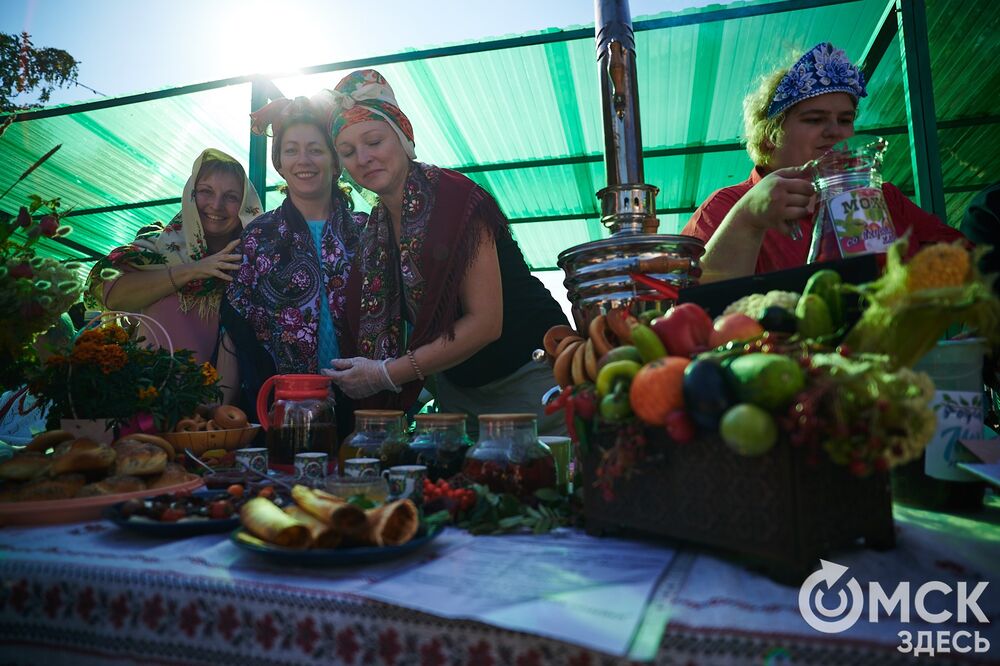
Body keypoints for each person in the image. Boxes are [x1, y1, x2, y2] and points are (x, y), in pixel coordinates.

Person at [322, 69, 570, 435]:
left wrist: (386, 374)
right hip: (459, 392)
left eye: (374, 141)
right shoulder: (374, 232)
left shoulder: (455, 198)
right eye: (348, 151)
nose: (363, 158)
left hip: (530, 377)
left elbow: (486, 324)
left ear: (403, 137)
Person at [682, 42, 964, 282]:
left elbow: (971, 264)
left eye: (845, 120)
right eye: (814, 120)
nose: (835, 132)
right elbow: (687, 312)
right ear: (769, 136)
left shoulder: (883, 197)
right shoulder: (726, 206)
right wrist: (746, 219)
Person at [222, 95, 363, 430]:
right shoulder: (258, 236)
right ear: (279, 163)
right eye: (291, 150)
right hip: (285, 411)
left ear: (335, 160)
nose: (304, 160)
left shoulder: (367, 231)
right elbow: (237, 324)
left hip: (366, 408)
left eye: (316, 149)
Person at [85, 149, 262, 393]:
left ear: (245, 206)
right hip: (142, 402)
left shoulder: (256, 265)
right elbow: (111, 295)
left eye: (231, 197)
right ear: (190, 194)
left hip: (216, 416)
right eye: (205, 191)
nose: (216, 205)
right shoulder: (155, 249)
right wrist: (193, 270)